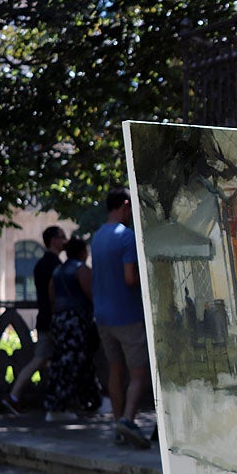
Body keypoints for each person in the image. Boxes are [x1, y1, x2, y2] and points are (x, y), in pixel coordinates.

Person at [91, 186, 151, 449]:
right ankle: (127, 420)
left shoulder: (97, 237)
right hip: (128, 315)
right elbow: (129, 278)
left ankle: (118, 426)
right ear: (125, 205)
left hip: (103, 317)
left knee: (114, 370)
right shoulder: (126, 237)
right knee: (138, 373)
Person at [3, 226, 67, 414]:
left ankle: (14, 396)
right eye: (62, 237)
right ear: (54, 240)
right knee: (62, 359)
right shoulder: (55, 264)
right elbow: (53, 293)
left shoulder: (41, 263)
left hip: (44, 318)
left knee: (39, 360)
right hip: (54, 319)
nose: (65, 241)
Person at [44, 236, 101, 421]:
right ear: (83, 252)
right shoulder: (81, 269)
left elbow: (51, 296)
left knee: (67, 360)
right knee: (74, 361)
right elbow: (92, 294)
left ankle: (86, 400)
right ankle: (61, 406)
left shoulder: (57, 271)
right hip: (77, 320)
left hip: (60, 319)